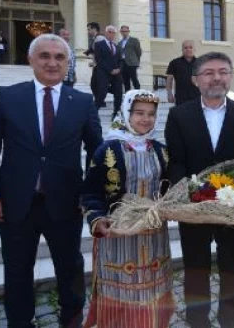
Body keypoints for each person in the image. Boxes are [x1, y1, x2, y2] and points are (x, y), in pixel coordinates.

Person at [0, 34, 102, 328]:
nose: (52, 62)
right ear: (31, 60)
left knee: (70, 268)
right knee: (18, 269)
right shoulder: (7, 96)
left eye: (59, 57)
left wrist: (91, 194)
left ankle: (71, 320)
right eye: (44, 56)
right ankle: (20, 322)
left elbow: (96, 152)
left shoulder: (82, 101)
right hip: (15, 202)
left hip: (66, 202)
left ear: (68, 63)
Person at [164, 52, 234, 328]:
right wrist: (185, 195)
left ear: (230, 77)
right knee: (196, 272)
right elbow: (177, 161)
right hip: (194, 210)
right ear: (195, 80)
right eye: (208, 72)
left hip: (233, 211)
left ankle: (232, 322)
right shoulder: (179, 115)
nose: (216, 77)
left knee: (233, 272)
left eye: (223, 71)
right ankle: (198, 323)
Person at [82, 90, 174, 328]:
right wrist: (97, 218)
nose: (146, 119)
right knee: (123, 293)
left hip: (154, 235)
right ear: (126, 114)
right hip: (118, 235)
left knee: (152, 291)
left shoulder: (161, 150)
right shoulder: (108, 150)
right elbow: (91, 192)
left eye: (151, 114)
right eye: (139, 113)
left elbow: (168, 187)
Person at [94, 25, 123, 119]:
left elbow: (120, 60)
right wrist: (110, 70)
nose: (111, 34)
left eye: (113, 32)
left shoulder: (116, 46)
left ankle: (116, 113)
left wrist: (118, 69)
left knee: (118, 93)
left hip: (116, 74)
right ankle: (93, 113)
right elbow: (99, 60)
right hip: (103, 73)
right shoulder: (99, 44)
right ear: (106, 33)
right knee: (102, 93)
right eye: (109, 32)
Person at [165, 40, 200, 105]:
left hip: (197, 98)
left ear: (195, 49)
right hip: (180, 98)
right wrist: (169, 94)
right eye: (185, 47)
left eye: (190, 47)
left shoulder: (201, 63)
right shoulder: (174, 63)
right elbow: (169, 79)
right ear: (182, 49)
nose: (188, 49)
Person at [119, 25, 142, 92]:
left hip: (132, 63)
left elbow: (138, 52)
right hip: (123, 63)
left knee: (134, 79)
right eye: (122, 31)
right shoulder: (120, 43)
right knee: (125, 80)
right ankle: (127, 95)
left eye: (125, 31)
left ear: (128, 32)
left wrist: (136, 61)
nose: (124, 33)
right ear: (120, 32)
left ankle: (138, 94)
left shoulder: (134, 40)